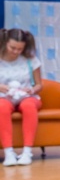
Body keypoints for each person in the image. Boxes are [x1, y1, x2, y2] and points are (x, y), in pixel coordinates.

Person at [0, 28, 43, 166]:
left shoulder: (31, 60)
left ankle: (27, 152)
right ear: (5, 43)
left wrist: (31, 90)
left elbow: (39, 85)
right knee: (1, 107)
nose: (16, 52)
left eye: (20, 49)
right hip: (4, 97)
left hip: (26, 97)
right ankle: (9, 153)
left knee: (28, 106)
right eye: (12, 48)